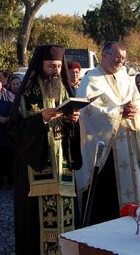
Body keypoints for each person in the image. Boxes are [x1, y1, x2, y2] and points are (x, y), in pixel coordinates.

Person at [8, 45, 82, 255]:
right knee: (36, 224)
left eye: (59, 66)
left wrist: (73, 121)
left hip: (63, 170)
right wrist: (40, 118)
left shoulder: (66, 90)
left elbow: (71, 132)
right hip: (36, 169)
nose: (55, 70)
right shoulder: (26, 93)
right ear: (41, 65)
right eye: (51, 66)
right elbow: (13, 132)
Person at [75, 41, 140, 225]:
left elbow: (138, 100)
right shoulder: (91, 79)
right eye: (116, 57)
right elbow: (87, 110)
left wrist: (134, 109)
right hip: (105, 151)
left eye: (123, 58)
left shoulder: (126, 77)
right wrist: (118, 112)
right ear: (104, 55)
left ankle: (131, 226)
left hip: (127, 143)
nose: (120, 61)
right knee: (105, 196)